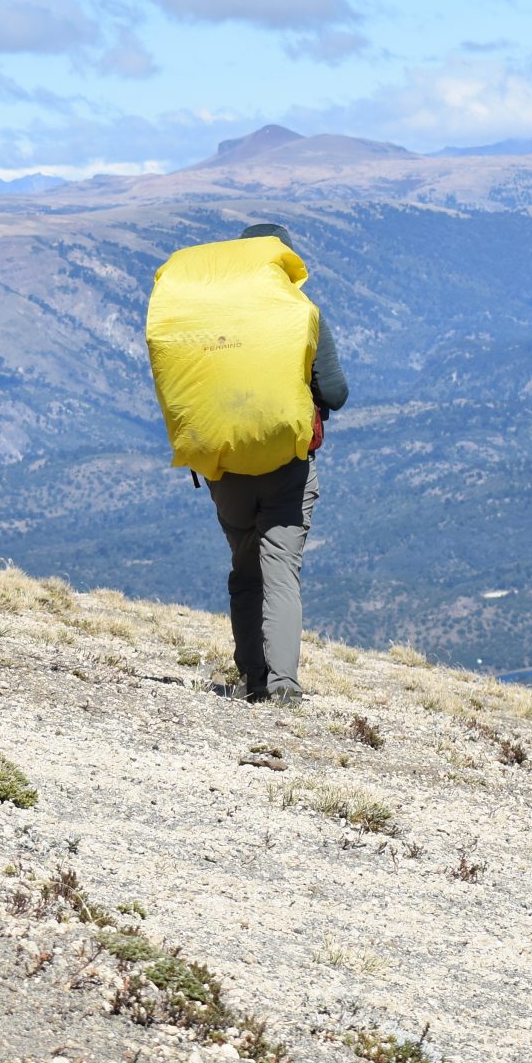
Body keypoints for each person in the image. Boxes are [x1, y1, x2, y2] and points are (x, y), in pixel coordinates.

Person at [205, 222, 347, 704]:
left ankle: (253, 680)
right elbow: (336, 393)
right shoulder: (302, 313)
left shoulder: (212, 316)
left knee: (245, 571)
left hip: (227, 470)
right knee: (280, 571)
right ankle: (284, 687)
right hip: (288, 465)